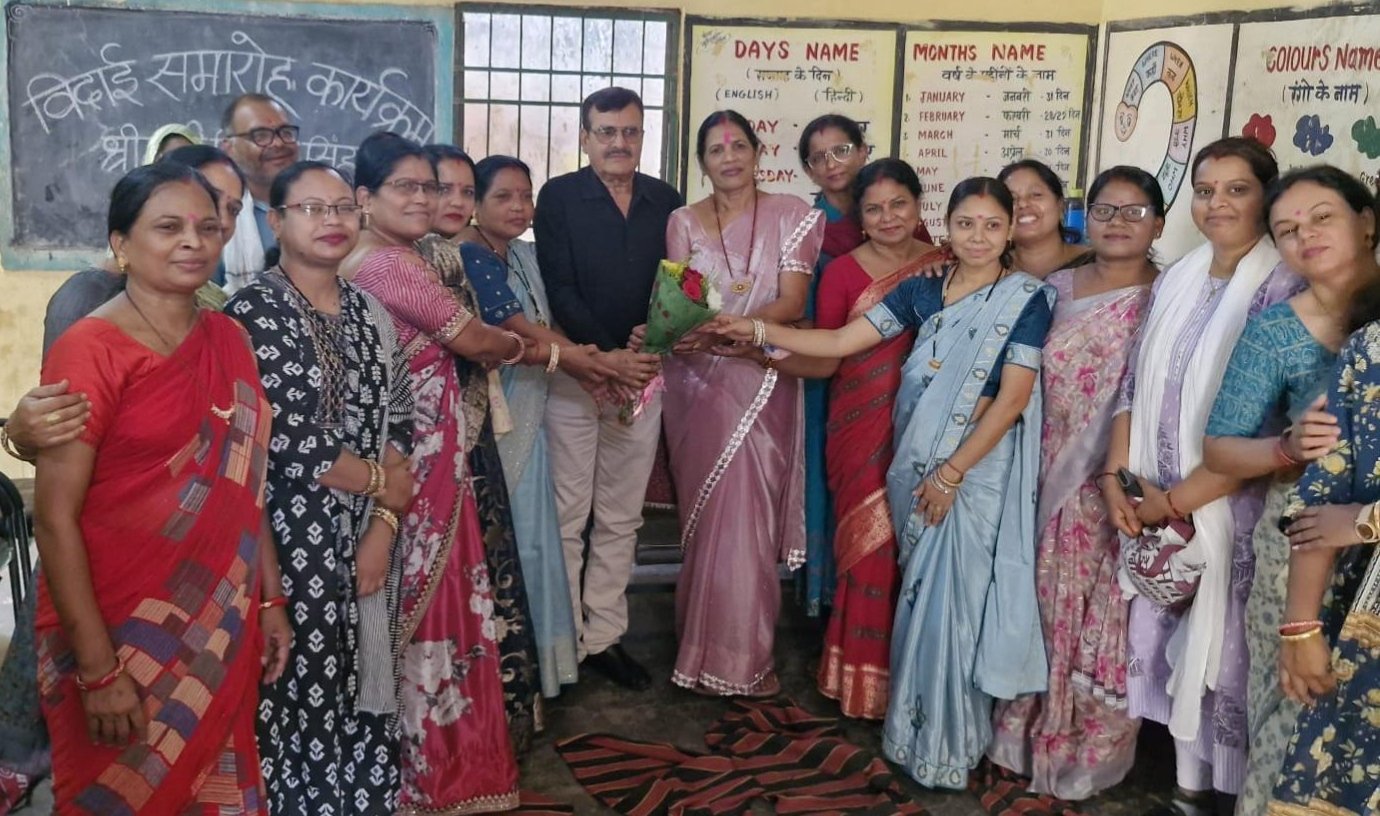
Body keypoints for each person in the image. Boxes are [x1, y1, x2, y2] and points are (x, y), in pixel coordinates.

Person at [704, 176, 1053, 787]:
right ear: (946, 228)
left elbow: (1012, 399)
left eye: (991, 225)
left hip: (973, 473)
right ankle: (913, 735)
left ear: (1008, 232)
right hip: (916, 463)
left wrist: (952, 473)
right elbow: (841, 339)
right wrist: (756, 331)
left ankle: (953, 747)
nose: (977, 237)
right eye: (966, 224)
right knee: (921, 602)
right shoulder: (925, 289)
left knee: (960, 607)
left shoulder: (1026, 299)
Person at [32, 161, 290, 813]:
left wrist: (269, 598)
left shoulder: (230, 336)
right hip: (118, 627)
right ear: (121, 243)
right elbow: (55, 518)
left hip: (218, 621)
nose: (193, 242)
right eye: (168, 227)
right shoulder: (92, 349)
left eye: (208, 227)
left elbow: (245, 484)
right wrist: (99, 670)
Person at [1097, 138, 1299, 816]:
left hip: (1232, 511)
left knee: (1229, 653)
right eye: (1206, 191)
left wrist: (1177, 502)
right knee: (1170, 642)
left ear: (1266, 197)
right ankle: (1186, 785)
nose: (1217, 204)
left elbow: (1272, 428)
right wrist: (1117, 479)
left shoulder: (1284, 286)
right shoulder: (1179, 276)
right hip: (1153, 500)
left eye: (1237, 190)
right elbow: (1133, 385)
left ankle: (1232, 792)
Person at [339, 131, 522, 813]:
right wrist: (515, 344)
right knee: (427, 607)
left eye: (431, 187)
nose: (423, 199)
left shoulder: (392, 256)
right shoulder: (388, 265)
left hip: (427, 462)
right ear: (365, 197)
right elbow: (472, 338)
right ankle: (435, 773)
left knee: (422, 603)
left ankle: (434, 768)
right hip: (411, 470)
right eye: (406, 187)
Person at [227, 160, 416, 814]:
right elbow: (289, 439)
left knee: (365, 686)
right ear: (276, 222)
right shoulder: (251, 313)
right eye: (311, 208)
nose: (331, 220)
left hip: (367, 538)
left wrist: (382, 530)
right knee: (294, 689)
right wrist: (384, 487)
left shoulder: (369, 310)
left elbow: (402, 417)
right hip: (286, 545)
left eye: (341, 208)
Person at [988, 166, 1163, 798]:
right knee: (1035, 601)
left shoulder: (1169, 298)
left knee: (1101, 617)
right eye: (1105, 210)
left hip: (1114, 488)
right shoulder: (1052, 289)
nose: (1117, 223)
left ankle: (1084, 749)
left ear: (1158, 224)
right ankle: (1023, 735)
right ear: (1084, 217)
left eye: (1134, 211)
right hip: (1039, 474)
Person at [662, 109, 823, 696]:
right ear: (702, 163)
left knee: (748, 520)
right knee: (706, 520)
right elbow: (681, 302)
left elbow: (793, 301)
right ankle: (698, 653)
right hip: (696, 382)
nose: (728, 158)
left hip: (759, 372)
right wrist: (689, 333)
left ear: (758, 153)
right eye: (715, 150)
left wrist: (739, 332)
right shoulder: (682, 221)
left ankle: (743, 662)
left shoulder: (793, 215)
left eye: (738, 146)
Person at [458, 154, 621, 700]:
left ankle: (543, 666)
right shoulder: (471, 255)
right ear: (476, 204)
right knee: (517, 534)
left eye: (525, 196)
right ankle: (508, 674)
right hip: (499, 410)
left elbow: (551, 319)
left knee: (543, 530)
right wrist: (596, 363)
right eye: (503, 196)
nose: (518, 207)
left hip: (536, 401)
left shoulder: (524, 253)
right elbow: (520, 329)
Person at [533, 86, 677, 690]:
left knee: (621, 516)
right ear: (585, 137)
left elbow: (677, 284)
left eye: (631, 131)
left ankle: (605, 638)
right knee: (568, 516)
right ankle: (564, 641)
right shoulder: (560, 196)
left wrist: (650, 343)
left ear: (643, 136)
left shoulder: (666, 200)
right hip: (578, 374)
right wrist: (605, 360)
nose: (620, 142)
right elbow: (559, 287)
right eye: (607, 131)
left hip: (642, 376)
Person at [1248, 169, 1380, 815]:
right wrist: (1300, 628)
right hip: (1359, 603)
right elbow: (1320, 497)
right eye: (1289, 229)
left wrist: (1368, 518)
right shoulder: (1368, 351)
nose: (1307, 236)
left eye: (1322, 217)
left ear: (1366, 223)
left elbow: (1348, 515)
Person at [808, 158, 942, 719]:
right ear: (859, 218)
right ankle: (861, 683)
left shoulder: (947, 265)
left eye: (898, 204)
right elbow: (824, 357)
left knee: (924, 552)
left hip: (932, 432)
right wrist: (756, 345)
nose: (888, 217)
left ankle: (917, 685)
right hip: (860, 429)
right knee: (870, 549)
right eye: (874, 209)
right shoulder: (841, 272)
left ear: (918, 206)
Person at [220, 93, 302, 292]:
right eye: (261, 136)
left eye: (285, 132)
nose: (278, 143)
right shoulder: (218, 217)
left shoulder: (325, 208)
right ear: (229, 148)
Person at [998, 159, 1093, 278]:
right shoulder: (990, 270)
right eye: (1012, 199)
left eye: (1036, 195)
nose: (1023, 204)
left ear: (1060, 205)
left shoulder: (1095, 264)